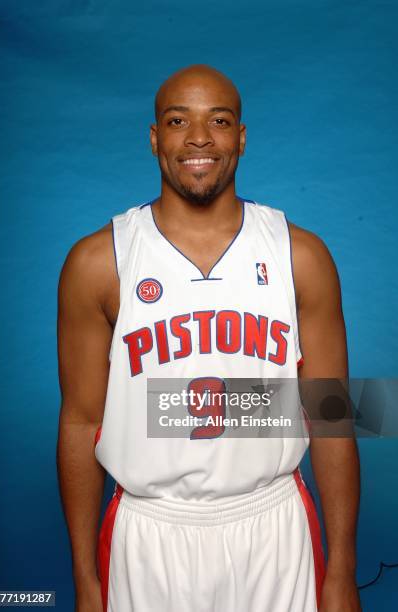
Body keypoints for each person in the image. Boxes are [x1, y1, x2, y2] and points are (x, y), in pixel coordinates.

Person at [56, 64, 362, 612]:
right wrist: (85, 578)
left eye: (218, 121)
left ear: (240, 138)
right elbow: (80, 420)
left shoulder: (302, 256)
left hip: (274, 528)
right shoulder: (98, 261)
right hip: (148, 533)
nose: (199, 138)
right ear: (155, 139)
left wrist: (342, 570)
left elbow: (333, 414)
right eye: (178, 121)